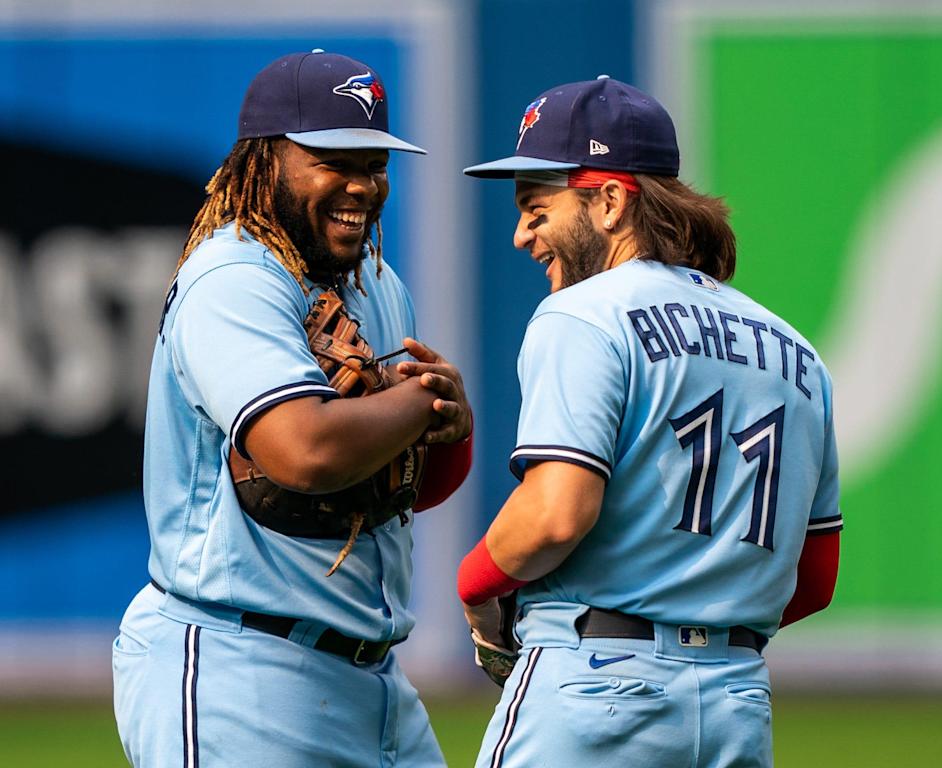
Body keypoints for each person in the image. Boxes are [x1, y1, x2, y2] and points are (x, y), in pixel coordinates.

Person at [457, 76, 841, 768]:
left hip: (596, 690)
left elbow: (554, 515)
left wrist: (477, 586)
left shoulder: (584, 313)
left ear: (607, 201)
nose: (520, 235)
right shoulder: (797, 352)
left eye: (536, 207)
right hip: (735, 702)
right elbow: (813, 578)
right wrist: (704, 629)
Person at [112, 50, 473, 768]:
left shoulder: (376, 281)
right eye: (333, 159)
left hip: (373, 681)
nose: (361, 185)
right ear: (265, 159)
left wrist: (445, 430)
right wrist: (418, 400)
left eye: (374, 163)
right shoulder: (234, 276)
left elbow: (396, 491)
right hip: (240, 666)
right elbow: (304, 451)